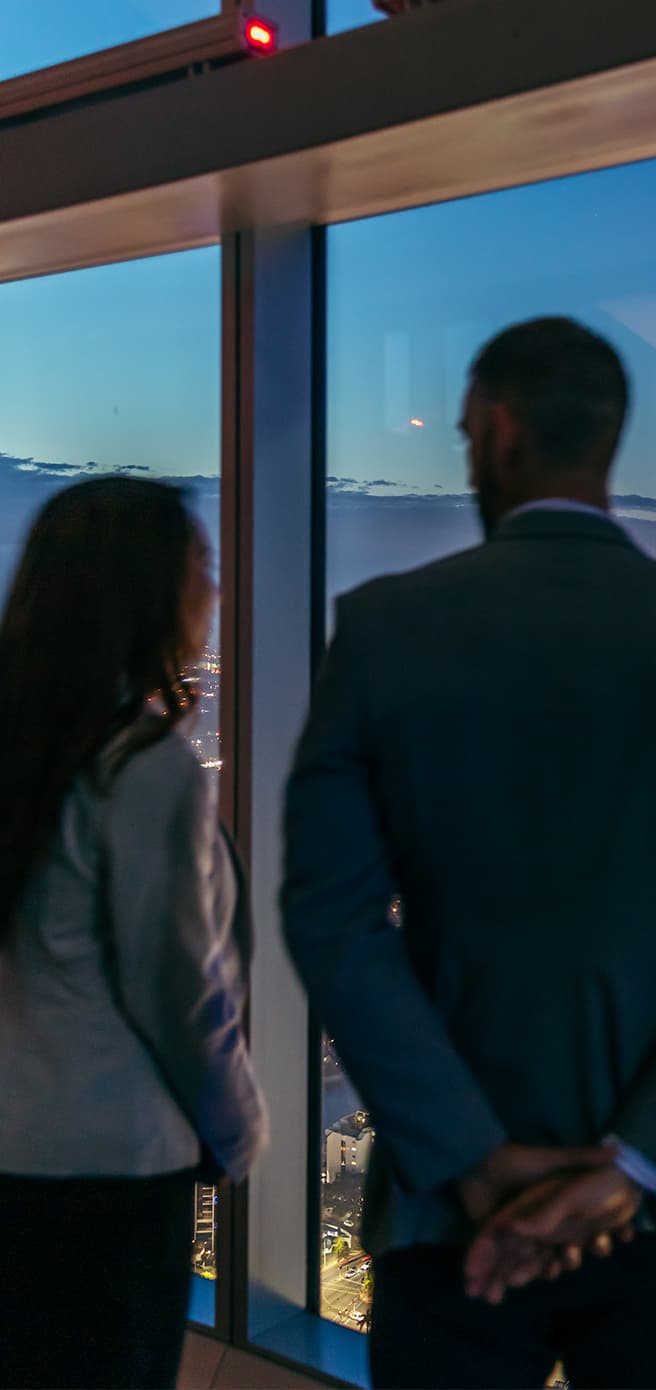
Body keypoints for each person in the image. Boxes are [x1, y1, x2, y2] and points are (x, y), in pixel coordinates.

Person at [282, 316, 656, 1389]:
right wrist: (632, 1162)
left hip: (451, 1211)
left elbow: (330, 918)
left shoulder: (384, 632)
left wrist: (474, 1161)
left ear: (493, 429)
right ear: (609, 440)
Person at [0, 478, 268, 1390]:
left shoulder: (26, 748)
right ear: (143, 593)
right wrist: (238, 1134)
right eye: (203, 566)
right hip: (107, 1178)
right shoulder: (143, 766)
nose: (218, 592)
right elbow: (179, 985)